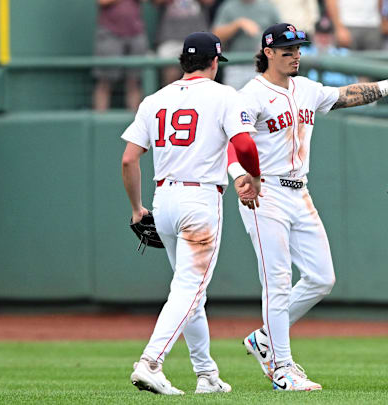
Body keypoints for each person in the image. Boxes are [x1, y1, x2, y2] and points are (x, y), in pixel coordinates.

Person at [229, 22, 388, 391]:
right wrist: (239, 175)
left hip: (300, 192)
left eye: (299, 48)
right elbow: (235, 141)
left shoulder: (306, 88)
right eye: (288, 50)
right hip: (266, 194)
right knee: (278, 283)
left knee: (321, 278)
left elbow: (347, 95)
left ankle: (264, 339)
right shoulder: (251, 94)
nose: (296, 54)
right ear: (267, 53)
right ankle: (281, 367)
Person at [121, 32, 262, 395]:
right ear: (214, 62)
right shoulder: (224, 95)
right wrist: (254, 178)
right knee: (187, 289)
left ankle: (207, 375)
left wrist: (137, 209)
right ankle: (150, 362)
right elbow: (244, 143)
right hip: (199, 201)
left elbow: (129, 159)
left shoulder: (155, 99)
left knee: (192, 293)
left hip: (163, 198)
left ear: (183, 62)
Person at [93, 0, 150, 111]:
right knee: (105, 82)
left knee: (134, 81)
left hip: (135, 32)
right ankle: (99, 121)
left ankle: (136, 123)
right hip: (109, 33)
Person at [211, 0, 280, 89]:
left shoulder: (268, 6)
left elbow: (281, 33)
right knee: (235, 100)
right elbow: (216, 35)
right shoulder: (228, 6)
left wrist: (267, 43)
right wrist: (238, 24)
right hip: (236, 66)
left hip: (262, 65)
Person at [154, 0, 214, 85]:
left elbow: (209, 1)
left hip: (198, 38)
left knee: (201, 78)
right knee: (171, 75)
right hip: (170, 39)